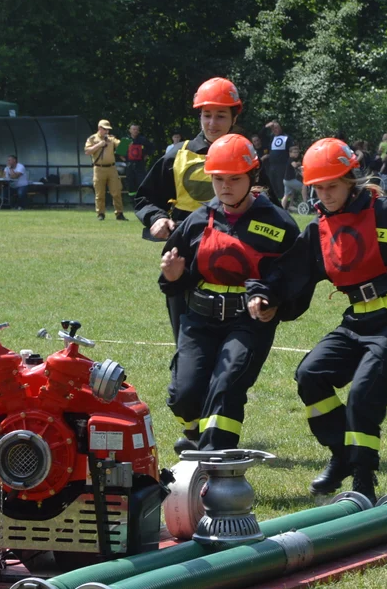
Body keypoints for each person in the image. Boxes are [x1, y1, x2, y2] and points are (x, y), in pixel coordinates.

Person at [246, 138, 387, 503]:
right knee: (310, 376)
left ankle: (363, 481)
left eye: (333, 185)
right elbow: (288, 272)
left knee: (364, 396)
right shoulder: (318, 231)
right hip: (356, 321)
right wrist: (266, 296)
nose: (325, 194)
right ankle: (342, 454)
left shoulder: (385, 212)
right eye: (318, 187)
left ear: (351, 179)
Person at [159, 134, 299, 453]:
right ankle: (194, 431)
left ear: (253, 176)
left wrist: (275, 304)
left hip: (248, 323)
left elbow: (296, 278)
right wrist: (172, 276)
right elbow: (175, 279)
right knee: (184, 396)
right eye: (218, 179)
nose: (225, 186)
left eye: (234, 179)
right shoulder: (196, 221)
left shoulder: (279, 224)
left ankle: (215, 463)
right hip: (199, 320)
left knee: (226, 387)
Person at [134, 77, 253, 342]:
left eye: (221, 115)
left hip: (234, 260)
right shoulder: (177, 155)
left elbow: (269, 207)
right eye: (207, 115)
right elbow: (145, 198)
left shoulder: (248, 157)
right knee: (186, 340)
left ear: (234, 117)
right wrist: (156, 218)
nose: (212, 123)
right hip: (184, 258)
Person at [85, 120, 126, 220]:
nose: (107, 131)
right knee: (100, 194)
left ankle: (119, 213)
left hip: (112, 168)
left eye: (108, 129)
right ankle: (100, 214)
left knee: (116, 191)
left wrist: (126, 143)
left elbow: (120, 145)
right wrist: (99, 145)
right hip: (99, 169)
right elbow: (87, 151)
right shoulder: (92, 139)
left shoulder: (111, 139)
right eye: (105, 129)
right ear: (99, 128)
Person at [262, 120, 291, 206]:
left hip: (282, 166)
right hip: (272, 166)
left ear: (280, 127)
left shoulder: (286, 137)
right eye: (273, 128)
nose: (275, 129)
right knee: (272, 184)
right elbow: (261, 135)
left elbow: (291, 150)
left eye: (277, 127)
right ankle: (274, 202)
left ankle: (285, 204)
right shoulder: (271, 137)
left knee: (281, 185)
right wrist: (266, 127)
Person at [124, 124, 155, 196]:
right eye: (133, 129)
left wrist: (146, 156)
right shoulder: (126, 140)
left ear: (138, 131)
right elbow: (120, 153)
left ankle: (142, 199)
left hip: (140, 165)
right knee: (131, 184)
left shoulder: (143, 139)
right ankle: (133, 202)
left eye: (136, 129)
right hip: (129, 166)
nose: (135, 131)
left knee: (142, 183)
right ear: (130, 130)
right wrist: (126, 161)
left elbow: (151, 148)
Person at [283, 144, 305, 210]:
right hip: (289, 180)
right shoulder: (290, 159)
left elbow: (298, 170)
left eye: (297, 152)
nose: (296, 154)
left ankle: (285, 207)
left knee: (287, 195)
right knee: (304, 186)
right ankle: (305, 202)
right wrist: (299, 164)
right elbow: (295, 165)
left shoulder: (292, 159)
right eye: (294, 152)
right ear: (290, 153)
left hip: (286, 181)